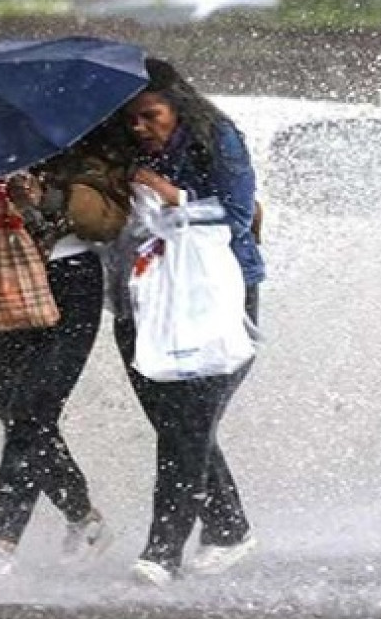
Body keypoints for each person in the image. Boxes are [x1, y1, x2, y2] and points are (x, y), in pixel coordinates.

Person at [0, 123, 132, 574]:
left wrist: (46, 197)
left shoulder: (91, 145)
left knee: (32, 412)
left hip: (71, 285)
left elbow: (105, 221)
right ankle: (85, 519)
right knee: (17, 416)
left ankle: (3, 544)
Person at [109, 58, 266, 586]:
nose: (141, 128)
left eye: (150, 115)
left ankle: (162, 551)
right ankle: (228, 528)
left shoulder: (216, 137)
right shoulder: (121, 153)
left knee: (188, 424)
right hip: (141, 299)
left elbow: (239, 213)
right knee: (176, 425)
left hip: (215, 295)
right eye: (131, 119)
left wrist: (177, 199)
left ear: (177, 107)